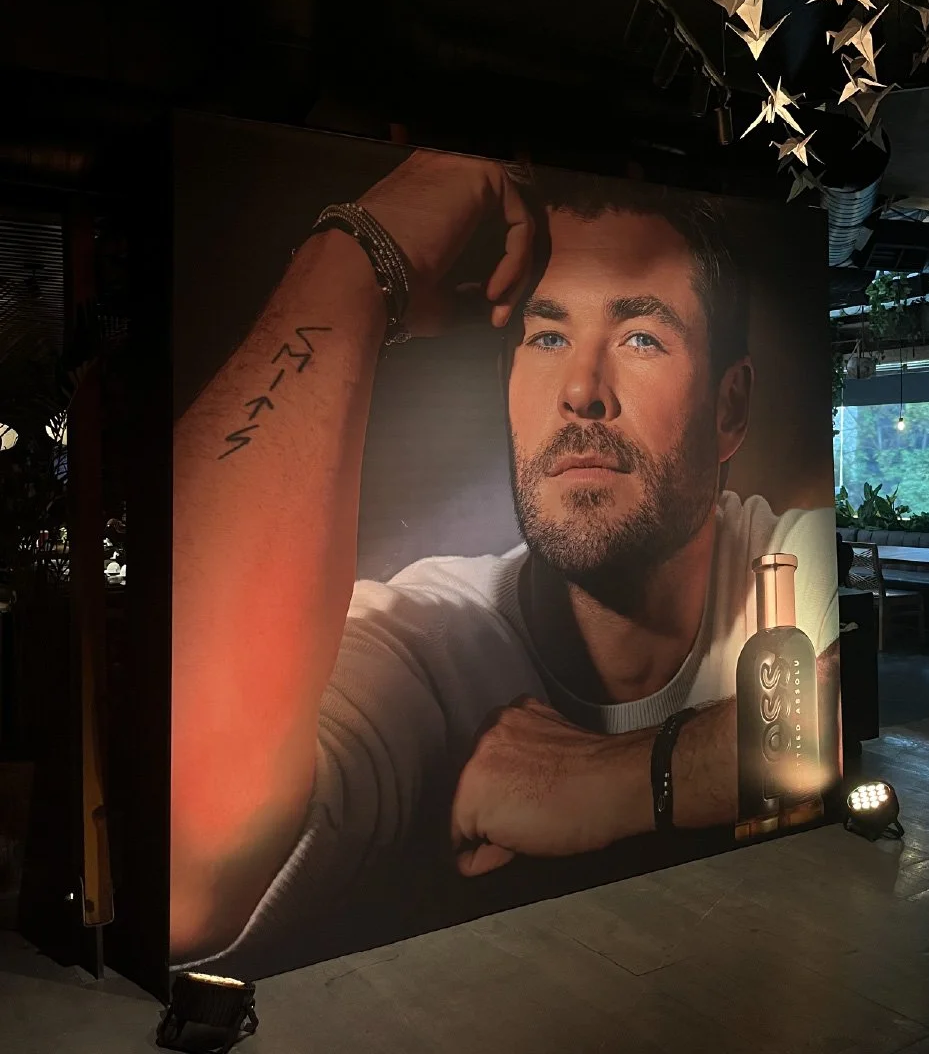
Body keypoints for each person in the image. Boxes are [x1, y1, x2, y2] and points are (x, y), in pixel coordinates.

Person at [171, 151, 839, 969]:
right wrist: (353, 253)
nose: (581, 391)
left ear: (728, 409)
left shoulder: (786, 558)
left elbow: (848, 722)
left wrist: (611, 779)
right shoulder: (421, 639)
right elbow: (182, 869)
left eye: (640, 337)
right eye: (548, 335)